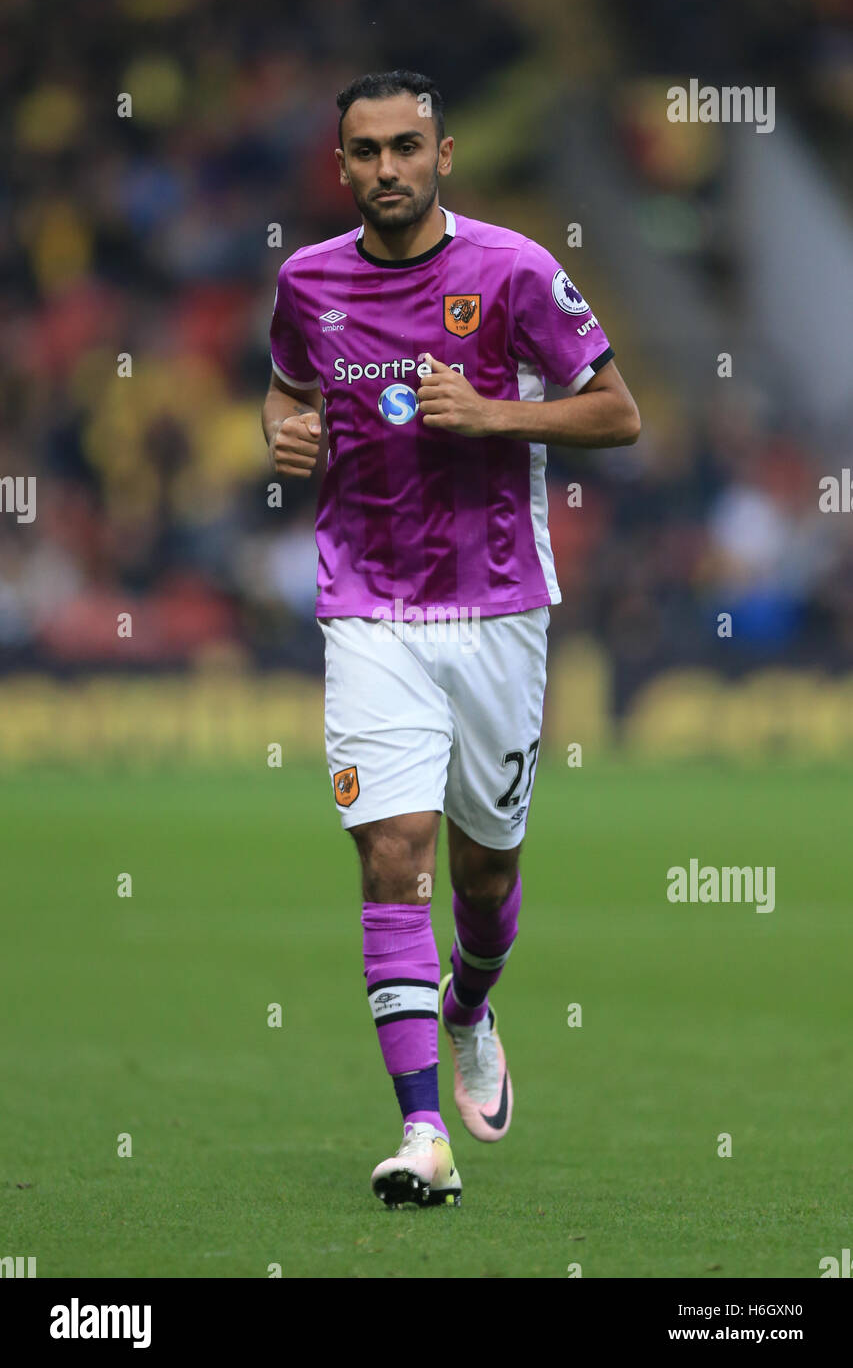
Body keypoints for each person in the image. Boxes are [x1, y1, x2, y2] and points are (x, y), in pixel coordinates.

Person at [261, 69, 640, 1208]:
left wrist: (496, 414)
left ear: (444, 154)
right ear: (342, 166)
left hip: (498, 612)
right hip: (367, 608)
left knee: (485, 866)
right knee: (394, 851)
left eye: (406, 147)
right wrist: (283, 438)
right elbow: (285, 396)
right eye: (366, 150)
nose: (387, 168)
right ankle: (422, 1130)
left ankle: (470, 1003)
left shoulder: (514, 270)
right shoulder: (304, 281)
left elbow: (617, 411)